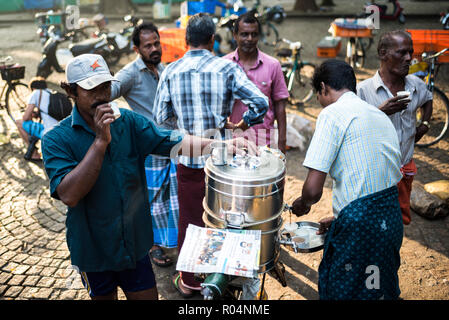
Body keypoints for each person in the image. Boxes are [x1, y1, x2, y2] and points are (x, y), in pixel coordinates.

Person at [41, 53, 256, 300]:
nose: (102, 95)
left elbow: (173, 140)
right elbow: (69, 194)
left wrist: (220, 146)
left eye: (106, 86)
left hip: (134, 245)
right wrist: (101, 141)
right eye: (92, 89)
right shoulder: (56, 139)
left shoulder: (128, 122)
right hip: (94, 250)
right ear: (71, 91)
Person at [153, 13, 269, 298]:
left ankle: (191, 281)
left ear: (185, 40)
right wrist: (242, 124)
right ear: (212, 40)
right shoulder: (226, 69)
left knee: (190, 221)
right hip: (221, 162)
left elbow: (159, 119)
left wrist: (182, 131)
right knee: (225, 219)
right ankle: (224, 279)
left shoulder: (170, 70)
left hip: (188, 159)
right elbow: (261, 103)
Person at [291, 59, 404, 300]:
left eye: (318, 95)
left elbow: (313, 191)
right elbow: (374, 182)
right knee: (378, 290)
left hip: (361, 228)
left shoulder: (331, 114)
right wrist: (341, 216)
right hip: (390, 220)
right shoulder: (378, 114)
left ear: (323, 88)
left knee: (346, 289)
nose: (320, 101)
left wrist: (302, 204)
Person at [110, 22, 176, 268]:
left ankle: (169, 238)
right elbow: (110, 91)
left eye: (156, 43)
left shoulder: (163, 68)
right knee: (150, 198)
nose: (154, 48)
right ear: (136, 48)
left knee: (170, 197)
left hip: (172, 145)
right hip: (149, 148)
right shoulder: (130, 73)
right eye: (147, 45)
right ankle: (151, 244)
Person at [357, 30, 433, 225]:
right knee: (375, 220)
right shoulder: (363, 91)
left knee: (399, 218)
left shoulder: (415, 85)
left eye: (411, 52)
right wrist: (381, 111)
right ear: (383, 53)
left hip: (405, 167)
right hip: (377, 172)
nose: (409, 58)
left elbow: (428, 99)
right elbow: (355, 129)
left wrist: (424, 124)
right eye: (402, 53)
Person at [224, 13, 289, 154]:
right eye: (244, 34)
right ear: (235, 35)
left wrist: (282, 142)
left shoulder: (273, 65)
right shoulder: (223, 65)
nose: (250, 39)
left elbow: (280, 106)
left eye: (254, 34)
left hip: (264, 144)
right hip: (233, 145)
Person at [16, 77, 59, 161]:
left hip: (48, 133)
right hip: (60, 130)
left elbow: (25, 117)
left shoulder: (36, 93)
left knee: (19, 123)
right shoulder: (51, 92)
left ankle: (34, 154)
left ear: (33, 88)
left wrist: (30, 115)